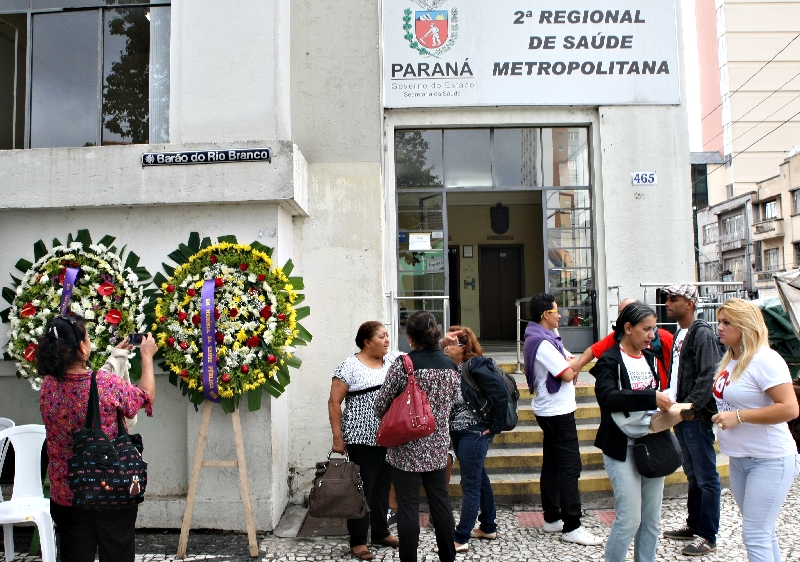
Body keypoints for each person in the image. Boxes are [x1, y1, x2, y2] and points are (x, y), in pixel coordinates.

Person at [38, 314, 156, 562]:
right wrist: (146, 358)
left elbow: (82, 382)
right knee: (117, 553)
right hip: (109, 488)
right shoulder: (105, 384)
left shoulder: (48, 386)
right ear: (82, 346)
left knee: (74, 555)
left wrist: (115, 359)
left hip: (67, 493)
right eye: (87, 337)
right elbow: (144, 396)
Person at [711, 298, 800, 562]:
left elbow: (790, 409)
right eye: (719, 321)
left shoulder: (765, 360)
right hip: (739, 460)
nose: (720, 327)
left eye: (727, 322)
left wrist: (738, 417)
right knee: (762, 531)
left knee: (755, 534)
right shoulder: (731, 359)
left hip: (770, 459)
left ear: (746, 326)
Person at [374, 311, 460, 562]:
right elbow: (455, 401)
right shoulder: (450, 366)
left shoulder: (404, 365)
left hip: (405, 446)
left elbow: (381, 405)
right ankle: (448, 557)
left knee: (408, 506)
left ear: (410, 338)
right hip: (437, 446)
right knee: (441, 503)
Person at [591, 303, 673, 562]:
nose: (652, 335)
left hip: (652, 443)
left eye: (654, 329)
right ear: (628, 328)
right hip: (621, 446)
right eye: (646, 329)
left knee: (651, 520)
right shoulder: (610, 360)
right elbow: (607, 397)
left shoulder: (651, 358)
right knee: (629, 519)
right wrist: (650, 397)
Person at [524, 293, 603, 546]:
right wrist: (572, 366)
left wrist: (572, 364)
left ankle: (552, 518)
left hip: (552, 409)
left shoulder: (546, 337)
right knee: (570, 467)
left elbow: (571, 360)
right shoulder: (543, 342)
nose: (560, 315)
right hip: (556, 410)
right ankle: (572, 525)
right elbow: (567, 373)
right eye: (556, 311)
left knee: (553, 465)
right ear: (545, 315)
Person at [327, 321, 400, 560]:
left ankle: (380, 531)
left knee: (382, 488)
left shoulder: (392, 361)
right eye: (382, 336)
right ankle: (358, 540)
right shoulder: (349, 366)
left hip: (388, 438)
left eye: (388, 335)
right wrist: (338, 437)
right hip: (361, 439)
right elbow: (334, 403)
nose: (387, 340)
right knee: (362, 490)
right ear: (367, 342)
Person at [661, 283, 721, 556]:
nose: (667, 303)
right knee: (693, 473)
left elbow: (708, 374)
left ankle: (708, 535)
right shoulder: (679, 334)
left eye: (673, 299)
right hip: (680, 412)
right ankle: (694, 524)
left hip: (694, 415)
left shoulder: (702, 333)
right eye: (667, 299)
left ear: (690, 303)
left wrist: (691, 407)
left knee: (706, 476)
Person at [441, 325, 504, 552]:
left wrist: (495, 426)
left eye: (451, 344)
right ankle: (488, 526)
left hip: (474, 432)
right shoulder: (454, 366)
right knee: (480, 477)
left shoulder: (476, 364)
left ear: (464, 347)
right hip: (459, 432)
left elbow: (500, 393)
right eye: (445, 342)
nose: (446, 347)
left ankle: (461, 537)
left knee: (470, 484)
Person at [577, 298, 673, 389]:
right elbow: (593, 351)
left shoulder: (663, 338)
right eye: (621, 312)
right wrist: (577, 368)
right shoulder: (614, 342)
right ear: (628, 328)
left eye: (630, 310)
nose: (651, 335)